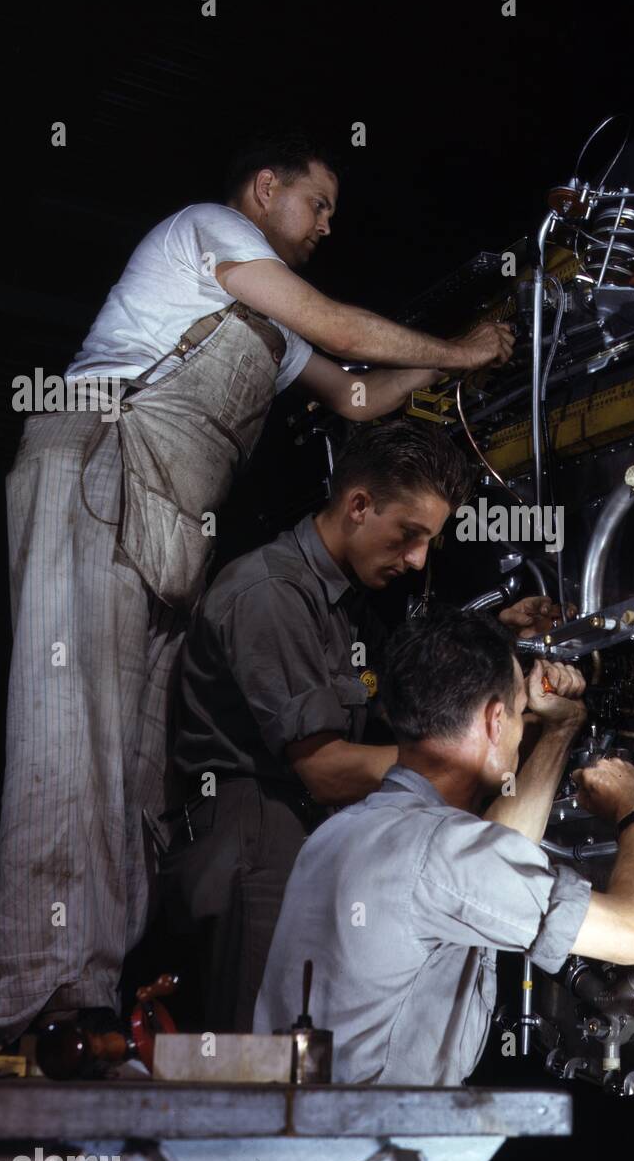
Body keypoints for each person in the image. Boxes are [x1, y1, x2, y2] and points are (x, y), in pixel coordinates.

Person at [0, 128, 513, 1041]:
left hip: (156, 516)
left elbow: (354, 394)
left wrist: (452, 359)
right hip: (98, 465)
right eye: (317, 206)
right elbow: (339, 325)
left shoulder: (268, 335)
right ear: (264, 188)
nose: (323, 228)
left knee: (129, 770)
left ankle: (87, 1002)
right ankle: (35, 1005)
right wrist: (463, 349)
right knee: (69, 734)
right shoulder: (207, 232)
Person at [163, 419, 565, 1032]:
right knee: (260, 1064)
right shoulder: (272, 594)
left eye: (429, 540)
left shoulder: (340, 597)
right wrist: (468, 749)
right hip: (253, 831)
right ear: (357, 505)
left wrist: (497, 634)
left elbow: (400, 688)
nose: (418, 558)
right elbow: (325, 770)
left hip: (296, 827)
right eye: (409, 535)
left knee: (306, 1052)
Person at [254, 612, 634, 1085]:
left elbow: (495, 859)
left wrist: (560, 731)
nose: (520, 727)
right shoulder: (442, 855)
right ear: (496, 721)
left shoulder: (339, 833)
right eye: (519, 713)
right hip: (376, 1146)